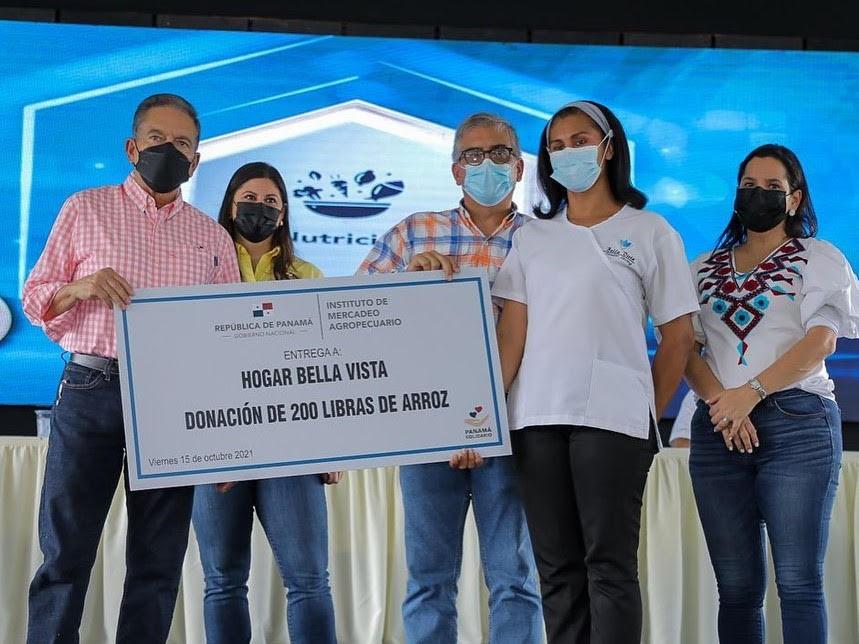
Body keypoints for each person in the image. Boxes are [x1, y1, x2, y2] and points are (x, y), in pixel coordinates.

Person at [22, 94, 240, 643]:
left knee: (158, 562)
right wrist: (81, 287)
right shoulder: (86, 208)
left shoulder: (212, 237)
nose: (170, 151)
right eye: (157, 140)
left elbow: (230, 338)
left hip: (173, 403)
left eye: (182, 144)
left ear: (196, 160)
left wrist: (227, 442)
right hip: (92, 387)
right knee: (65, 553)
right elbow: (34, 297)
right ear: (131, 148)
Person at [492, 100, 699, 644]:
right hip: (535, 418)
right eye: (556, 146)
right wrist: (485, 416)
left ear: (608, 149)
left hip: (613, 420)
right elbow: (512, 334)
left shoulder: (650, 231)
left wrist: (647, 415)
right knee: (557, 571)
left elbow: (678, 336)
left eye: (579, 141)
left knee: (609, 567)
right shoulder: (533, 237)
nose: (567, 153)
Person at [358, 112, 543, 643]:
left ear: (520, 167)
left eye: (500, 154)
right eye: (473, 156)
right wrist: (407, 285)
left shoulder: (545, 240)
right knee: (428, 579)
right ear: (457, 171)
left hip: (514, 427)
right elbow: (357, 317)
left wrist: (481, 419)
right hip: (428, 429)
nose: (488, 165)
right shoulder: (414, 233)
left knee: (515, 579)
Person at [685, 144, 859, 644]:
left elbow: (821, 340)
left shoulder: (818, 257)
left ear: (794, 198)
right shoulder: (701, 267)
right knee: (736, 589)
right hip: (718, 428)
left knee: (798, 584)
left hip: (798, 422)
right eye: (748, 186)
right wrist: (724, 404)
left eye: (771, 187)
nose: (757, 195)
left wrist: (750, 394)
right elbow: (685, 350)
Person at [191, 161, 339, 644]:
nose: (261, 208)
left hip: (292, 447)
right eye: (250, 199)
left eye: (272, 201)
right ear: (230, 205)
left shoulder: (307, 275)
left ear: (285, 213)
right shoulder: (201, 269)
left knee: (309, 580)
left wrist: (333, 448)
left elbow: (326, 369)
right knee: (223, 581)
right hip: (217, 444)